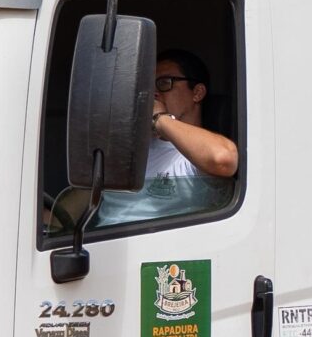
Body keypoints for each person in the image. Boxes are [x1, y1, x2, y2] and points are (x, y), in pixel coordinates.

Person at [95, 45, 239, 227]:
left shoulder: (195, 155)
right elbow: (86, 196)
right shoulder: (132, 148)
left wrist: (160, 119)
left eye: (164, 83)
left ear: (197, 93)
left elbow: (223, 158)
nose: (154, 92)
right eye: (150, 86)